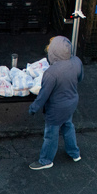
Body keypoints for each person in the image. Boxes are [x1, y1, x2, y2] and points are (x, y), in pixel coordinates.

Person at [28, 36, 84, 170]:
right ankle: (74, 153)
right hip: (71, 103)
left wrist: (33, 108)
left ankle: (46, 160)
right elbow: (80, 78)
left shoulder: (51, 73)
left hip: (55, 108)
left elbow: (43, 95)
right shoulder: (76, 62)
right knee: (68, 126)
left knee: (51, 134)